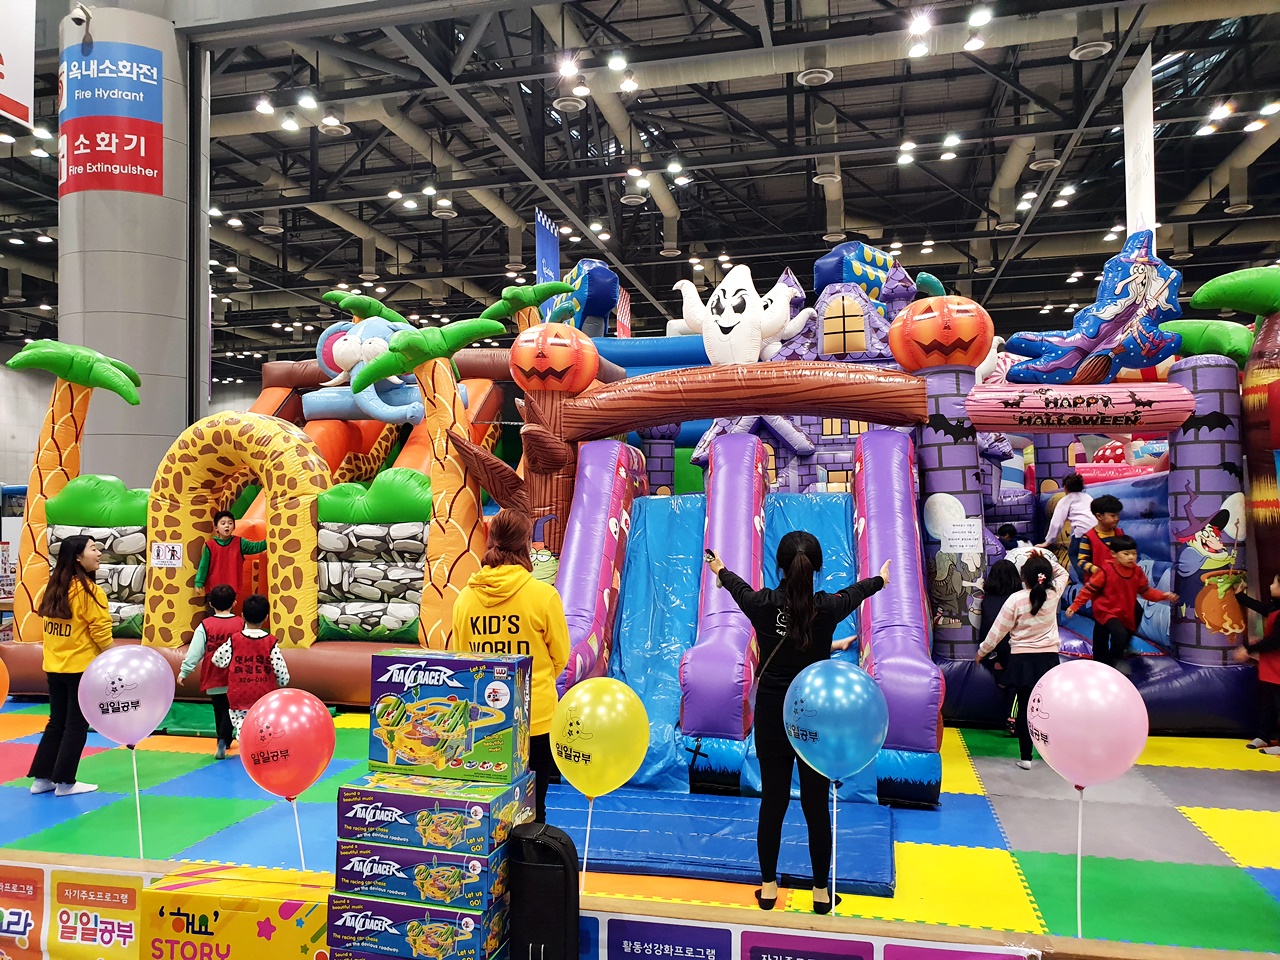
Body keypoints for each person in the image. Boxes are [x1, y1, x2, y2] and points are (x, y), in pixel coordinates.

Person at [707, 532, 889, 914]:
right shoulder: (828, 607)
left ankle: (768, 889)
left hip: (773, 714)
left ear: (780, 566)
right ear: (816, 568)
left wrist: (720, 569)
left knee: (772, 802)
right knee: (816, 805)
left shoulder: (763, 604)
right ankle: (821, 893)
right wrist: (881, 580)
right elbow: (857, 592)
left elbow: (739, 589)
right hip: (814, 716)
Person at [452, 509, 570, 824]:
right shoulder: (543, 596)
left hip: (484, 719)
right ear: (527, 545)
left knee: (487, 810)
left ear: (490, 541)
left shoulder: (464, 600)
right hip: (536, 718)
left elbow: (461, 659)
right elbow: (561, 656)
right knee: (534, 808)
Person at [28, 535, 113, 797]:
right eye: (93, 549)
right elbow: (100, 631)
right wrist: (112, 659)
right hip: (80, 669)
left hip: (54, 667)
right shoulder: (89, 591)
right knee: (75, 725)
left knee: (57, 722)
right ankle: (65, 782)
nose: (98, 553)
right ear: (78, 556)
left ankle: (42, 778)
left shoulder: (53, 588)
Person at [975, 551, 1067, 770]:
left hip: (1022, 660)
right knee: (1048, 708)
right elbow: (1063, 573)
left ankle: (1026, 758)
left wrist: (982, 652)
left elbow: (998, 631)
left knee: (1026, 708)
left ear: (1023, 577)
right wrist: (1043, 559)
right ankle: (1053, 754)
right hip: (1048, 659)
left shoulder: (1016, 599)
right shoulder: (1053, 594)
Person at [1066, 535, 1178, 667]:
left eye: (1134, 554)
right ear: (1114, 554)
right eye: (1126, 554)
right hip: (1106, 610)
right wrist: (1075, 606)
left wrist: (1163, 596)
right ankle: (1112, 661)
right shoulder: (1105, 571)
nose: (1131, 557)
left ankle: (1114, 656)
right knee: (1117, 634)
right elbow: (1089, 589)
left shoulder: (1136, 571)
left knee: (1113, 632)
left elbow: (1146, 591)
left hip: (1124, 609)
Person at [210, 593, 290, 741]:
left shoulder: (234, 640)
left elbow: (217, 659)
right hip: (264, 696)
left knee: (242, 726)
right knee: (264, 727)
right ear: (266, 617)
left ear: (242, 616)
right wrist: (281, 682)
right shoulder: (270, 643)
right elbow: (282, 674)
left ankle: (244, 742)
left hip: (239, 694)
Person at [178, 584, 241, 759]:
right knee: (230, 709)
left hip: (213, 674)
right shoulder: (240, 624)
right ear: (234, 603)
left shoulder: (205, 626)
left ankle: (222, 739)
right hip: (236, 675)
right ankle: (224, 740)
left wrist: (184, 671)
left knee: (219, 708)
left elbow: (195, 651)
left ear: (211, 604)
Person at [1230, 575, 1280, 755]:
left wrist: (1249, 648)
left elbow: (1275, 641)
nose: (1271, 585)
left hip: (1277, 666)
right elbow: (1262, 608)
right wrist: (1240, 596)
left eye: (1275, 583)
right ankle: (1263, 735)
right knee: (1267, 703)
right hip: (1270, 666)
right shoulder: (1275, 606)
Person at [979, 559, 1022, 736]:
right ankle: (1013, 718)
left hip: (996, 651)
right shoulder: (1018, 600)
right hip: (1014, 649)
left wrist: (992, 656)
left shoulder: (988, 601)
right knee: (1018, 680)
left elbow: (986, 629)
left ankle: (1002, 676)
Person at [194, 510, 266, 598]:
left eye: (230, 523)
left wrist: (271, 538)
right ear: (216, 528)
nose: (227, 525)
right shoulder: (210, 545)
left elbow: (256, 547)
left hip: (231, 590)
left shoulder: (240, 542)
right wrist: (199, 582)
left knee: (230, 607)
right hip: (213, 589)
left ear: (234, 527)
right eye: (223, 523)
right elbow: (204, 565)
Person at [1070, 494, 1125, 580]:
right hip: (1098, 582)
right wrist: (1098, 571)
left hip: (1118, 581)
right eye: (1113, 516)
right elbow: (1082, 561)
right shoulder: (1088, 537)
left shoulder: (1120, 533)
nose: (1117, 518)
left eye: (1118, 515)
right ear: (1099, 516)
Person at [1039, 473, 1093, 559]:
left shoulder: (1065, 500)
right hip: (1095, 532)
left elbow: (1056, 523)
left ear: (1065, 488)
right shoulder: (1088, 497)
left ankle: (1082, 568)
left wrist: (1048, 541)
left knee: (1073, 554)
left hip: (1081, 533)